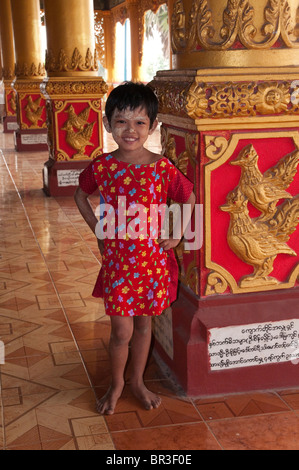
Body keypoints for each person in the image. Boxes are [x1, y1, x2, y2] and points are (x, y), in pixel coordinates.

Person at [74, 82, 196, 415]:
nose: (131, 130)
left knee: (144, 326)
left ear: (153, 126)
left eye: (140, 122)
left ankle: (138, 382)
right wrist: (98, 229)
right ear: (107, 124)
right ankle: (115, 385)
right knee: (121, 330)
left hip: (152, 264)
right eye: (121, 121)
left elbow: (189, 197)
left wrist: (176, 232)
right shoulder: (103, 166)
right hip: (117, 266)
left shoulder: (162, 168)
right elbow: (80, 195)